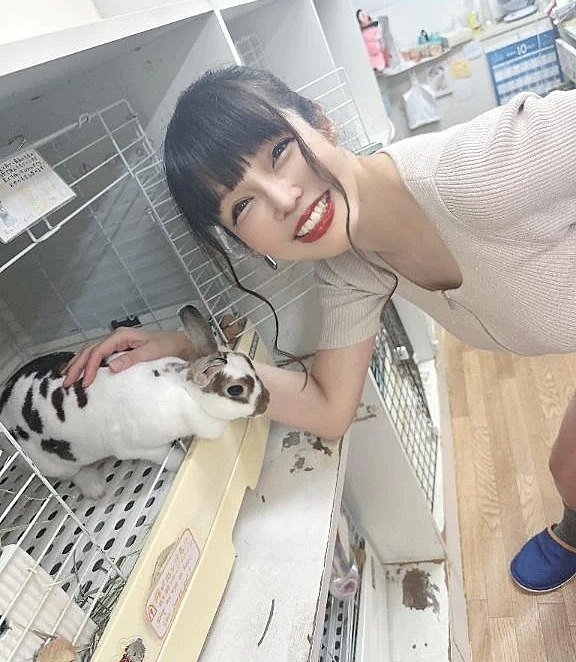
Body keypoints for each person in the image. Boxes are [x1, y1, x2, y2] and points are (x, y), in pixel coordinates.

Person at [63, 66, 576, 594]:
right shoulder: (353, 268)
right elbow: (327, 407)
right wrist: (194, 355)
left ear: (321, 122)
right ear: (244, 244)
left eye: (279, 150)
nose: (283, 199)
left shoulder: (484, 169)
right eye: (243, 205)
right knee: (569, 470)